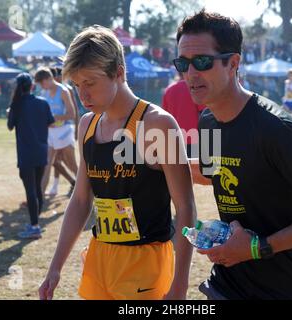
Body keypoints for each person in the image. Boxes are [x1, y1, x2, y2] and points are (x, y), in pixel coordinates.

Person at [176, 10, 292, 299]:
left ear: (233, 63)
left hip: (287, 287)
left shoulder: (276, 128)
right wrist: (158, 162)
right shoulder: (208, 119)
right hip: (228, 284)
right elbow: (212, 172)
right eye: (182, 63)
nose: (190, 73)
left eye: (203, 62)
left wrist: (259, 246)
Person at [39, 25, 195, 300]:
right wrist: (55, 267)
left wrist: (180, 285)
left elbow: (185, 208)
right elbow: (80, 200)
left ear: (119, 73)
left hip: (145, 263)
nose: (82, 95)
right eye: (76, 85)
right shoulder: (87, 124)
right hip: (101, 257)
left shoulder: (157, 124)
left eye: (90, 83)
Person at [7, 73, 55, 239]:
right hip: (41, 151)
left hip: (26, 154)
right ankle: (35, 222)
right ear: (32, 86)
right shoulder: (42, 103)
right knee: (37, 189)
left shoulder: (17, 105)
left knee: (31, 190)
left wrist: (11, 108)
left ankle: (34, 226)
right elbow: (51, 121)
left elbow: (10, 126)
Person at [34, 67, 78, 196]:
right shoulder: (44, 93)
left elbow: (72, 114)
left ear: (49, 79)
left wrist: (56, 118)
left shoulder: (63, 91)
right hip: (51, 133)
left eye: (42, 83)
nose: (41, 86)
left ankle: (87, 191)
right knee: (47, 164)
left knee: (73, 165)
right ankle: (39, 196)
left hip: (64, 131)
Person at [162, 74, 206, 158]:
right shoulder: (195, 89)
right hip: (193, 139)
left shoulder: (168, 90)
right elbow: (203, 113)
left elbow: (164, 116)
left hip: (175, 140)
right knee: (196, 169)